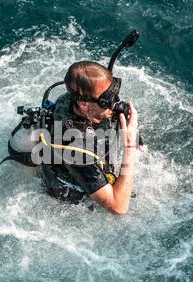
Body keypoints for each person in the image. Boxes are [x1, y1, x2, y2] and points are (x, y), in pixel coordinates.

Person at [41, 61, 138, 215]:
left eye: (113, 93)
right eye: (106, 99)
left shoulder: (69, 99)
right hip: (72, 198)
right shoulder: (77, 148)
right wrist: (130, 144)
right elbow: (119, 208)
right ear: (84, 105)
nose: (114, 103)